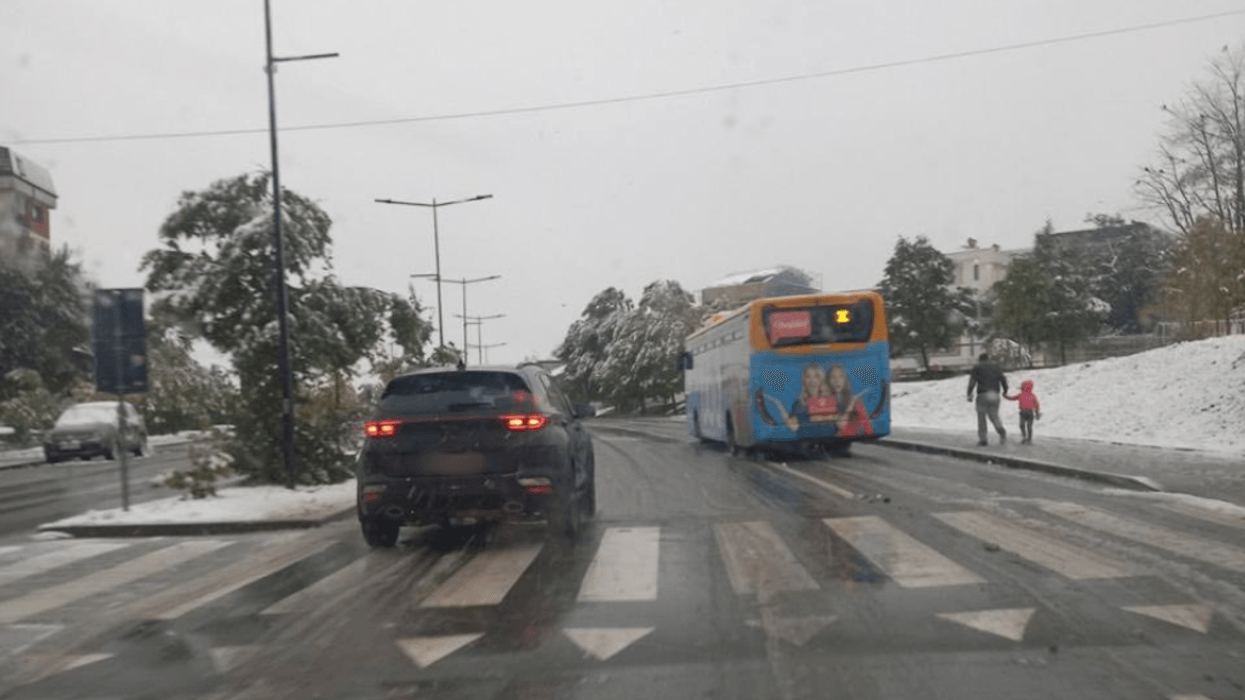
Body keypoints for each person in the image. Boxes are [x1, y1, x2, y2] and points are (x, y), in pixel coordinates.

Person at [966, 352, 1008, 446]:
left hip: (982, 394)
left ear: (980, 359)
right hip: (994, 394)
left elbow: (972, 381)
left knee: (981, 418)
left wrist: (969, 393)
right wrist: (1005, 390)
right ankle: (1000, 430)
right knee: (994, 415)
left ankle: (983, 439)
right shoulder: (996, 367)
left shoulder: (977, 367)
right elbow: (1003, 379)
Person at [826, 364, 873, 436]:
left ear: (845, 380)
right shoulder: (824, 402)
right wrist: (848, 410)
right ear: (828, 381)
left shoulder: (855, 402)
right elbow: (839, 425)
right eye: (833, 377)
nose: (837, 381)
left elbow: (867, 429)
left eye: (840, 376)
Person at [1004, 379, 1042, 444]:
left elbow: (1012, 398)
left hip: (1024, 412)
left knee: (1022, 425)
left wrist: (1006, 397)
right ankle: (1028, 438)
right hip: (1029, 412)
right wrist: (1037, 412)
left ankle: (1025, 436)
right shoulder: (1031, 395)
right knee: (1029, 426)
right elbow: (1036, 405)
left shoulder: (1023, 394)